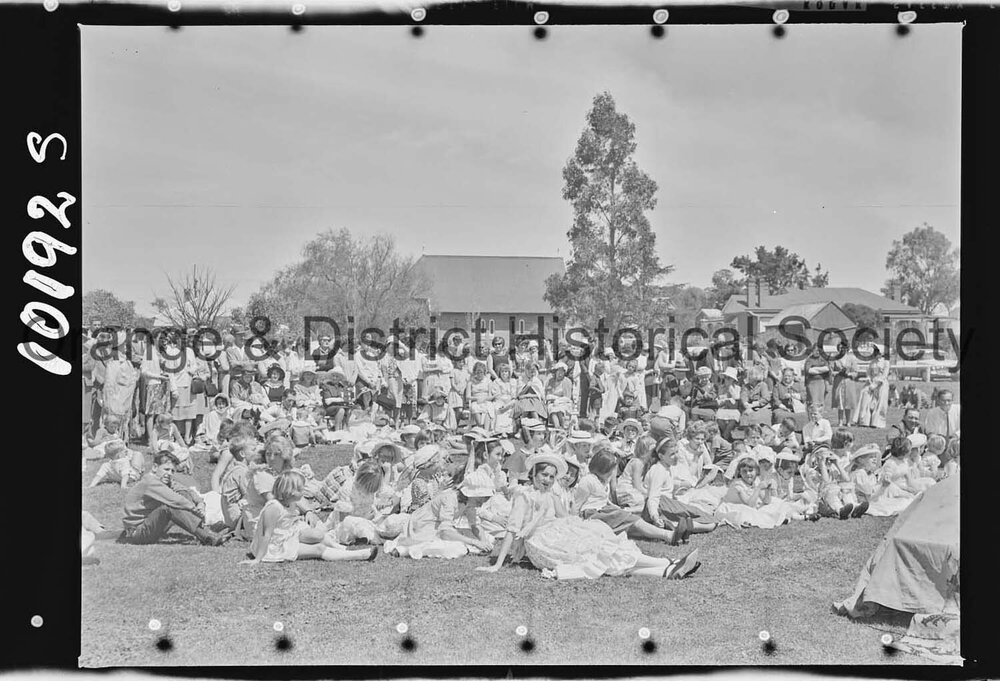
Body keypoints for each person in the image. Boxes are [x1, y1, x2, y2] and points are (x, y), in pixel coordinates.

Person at [478, 452, 702, 580]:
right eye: (543, 475)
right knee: (598, 554)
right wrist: (497, 565)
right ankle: (668, 564)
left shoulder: (550, 493)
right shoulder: (523, 495)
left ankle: (667, 568)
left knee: (605, 551)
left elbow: (565, 516)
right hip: (542, 542)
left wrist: (554, 499)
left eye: (551, 477)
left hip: (558, 531)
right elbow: (512, 530)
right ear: (533, 474)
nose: (546, 480)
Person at [242, 470, 377, 564]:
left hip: (287, 534)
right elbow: (266, 535)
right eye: (301, 489)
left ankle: (341, 549)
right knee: (318, 548)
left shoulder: (290, 503)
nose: (304, 492)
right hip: (274, 546)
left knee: (317, 535)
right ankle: (360, 555)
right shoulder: (273, 507)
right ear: (290, 491)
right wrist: (258, 559)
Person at [573, 446, 683, 544]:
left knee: (630, 522)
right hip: (592, 514)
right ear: (601, 469)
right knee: (632, 520)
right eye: (610, 471)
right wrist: (575, 525)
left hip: (604, 510)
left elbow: (604, 500)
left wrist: (616, 507)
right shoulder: (588, 480)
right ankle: (667, 535)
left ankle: (663, 532)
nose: (612, 474)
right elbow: (577, 505)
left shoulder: (603, 481)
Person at [118, 451, 229, 546]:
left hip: (149, 525)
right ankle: (207, 537)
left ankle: (205, 531)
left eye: (172, 471)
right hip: (136, 532)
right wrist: (194, 509)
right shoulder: (150, 481)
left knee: (183, 495)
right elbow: (175, 500)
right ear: (155, 467)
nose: (169, 474)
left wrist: (200, 503)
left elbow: (187, 491)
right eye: (166, 469)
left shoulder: (164, 480)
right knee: (170, 507)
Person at [385, 468, 496, 559]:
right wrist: (474, 542)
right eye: (481, 499)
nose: (482, 503)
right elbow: (445, 532)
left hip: (436, 527)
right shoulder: (449, 499)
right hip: (421, 526)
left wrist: (484, 542)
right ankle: (406, 549)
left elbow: (475, 525)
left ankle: (408, 548)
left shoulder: (469, 503)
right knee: (456, 547)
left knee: (488, 538)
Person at [642, 438, 718, 537]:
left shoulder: (667, 467)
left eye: (677, 452)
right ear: (661, 456)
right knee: (710, 522)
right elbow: (653, 497)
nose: (676, 456)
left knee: (709, 521)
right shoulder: (658, 470)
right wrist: (654, 516)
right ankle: (680, 525)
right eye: (672, 454)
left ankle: (681, 525)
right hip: (659, 507)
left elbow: (671, 484)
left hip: (666, 505)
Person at [714, 455, 795, 529]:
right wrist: (758, 488)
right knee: (746, 512)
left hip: (749, 505)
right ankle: (770, 519)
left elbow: (766, 501)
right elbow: (749, 505)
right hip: (734, 506)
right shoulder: (737, 485)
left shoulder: (755, 481)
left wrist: (767, 489)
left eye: (750, 470)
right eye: (744, 471)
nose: (748, 474)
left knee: (775, 502)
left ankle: (778, 517)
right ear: (740, 472)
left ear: (756, 471)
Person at [848, 443, 909, 516]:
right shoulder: (860, 473)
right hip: (865, 501)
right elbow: (869, 495)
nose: (874, 459)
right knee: (897, 505)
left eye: (875, 457)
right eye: (871, 457)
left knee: (898, 496)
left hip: (871, 498)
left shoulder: (868, 473)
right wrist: (883, 486)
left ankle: (905, 494)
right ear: (861, 460)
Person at [853, 347, 890, 428]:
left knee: (880, 403)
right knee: (865, 400)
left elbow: (884, 375)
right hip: (871, 383)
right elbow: (868, 372)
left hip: (881, 384)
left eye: (878, 352)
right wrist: (870, 381)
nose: (876, 354)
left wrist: (876, 384)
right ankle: (864, 421)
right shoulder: (872, 362)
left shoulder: (886, 362)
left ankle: (877, 422)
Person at [830, 341, 863, 427]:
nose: (842, 349)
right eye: (840, 348)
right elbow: (831, 372)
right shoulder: (835, 359)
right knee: (840, 402)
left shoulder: (851, 358)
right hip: (839, 382)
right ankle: (840, 421)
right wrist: (838, 373)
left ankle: (848, 421)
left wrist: (849, 374)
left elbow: (856, 372)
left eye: (844, 348)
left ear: (847, 348)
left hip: (848, 382)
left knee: (848, 402)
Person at [545, 362, 575, 430]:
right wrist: (555, 399)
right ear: (555, 372)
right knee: (553, 410)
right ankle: (558, 428)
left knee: (560, 410)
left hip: (564, 402)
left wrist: (558, 400)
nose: (560, 374)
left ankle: (562, 428)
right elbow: (547, 395)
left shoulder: (567, 381)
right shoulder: (550, 381)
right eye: (558, 372)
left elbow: (568, 397)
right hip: (552, 403)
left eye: (562, 372)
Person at [715, 367, 742, 440]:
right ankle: (727, 434)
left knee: (734, 417)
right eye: (726, 377)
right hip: (723, 408)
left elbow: (737, 398)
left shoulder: (737, 388)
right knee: (719, 417)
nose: (727, 380)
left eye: (729, 378)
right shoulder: (721, 387)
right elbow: (720, 398)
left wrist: (730, 389)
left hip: (733, 409)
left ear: (733, 380)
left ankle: (725, 435)